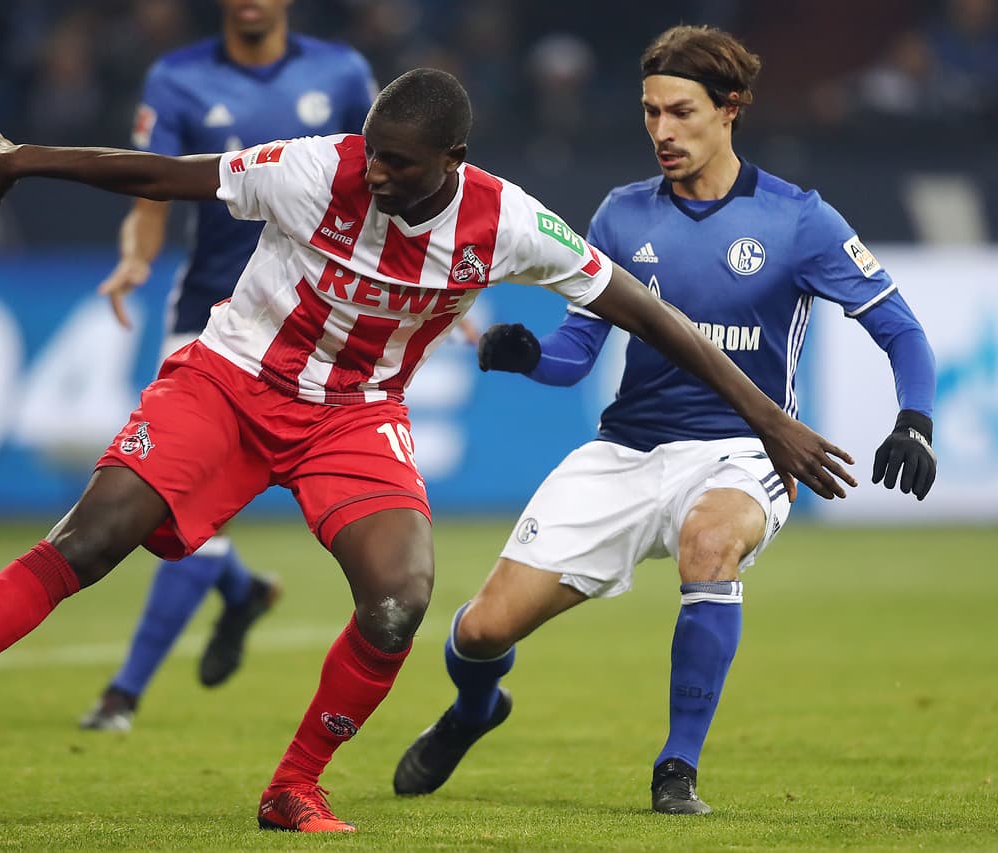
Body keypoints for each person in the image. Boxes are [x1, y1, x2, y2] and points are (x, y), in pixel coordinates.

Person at [0, 67, 857, 833]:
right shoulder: (314, 169)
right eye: (372, 152)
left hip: (352, 417)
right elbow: (165, 174)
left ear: (451, 161)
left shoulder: (508, 223)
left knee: (401, 597)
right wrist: (30, 159)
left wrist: (768, 419)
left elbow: (651, 315)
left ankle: (293, 786)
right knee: (93, 537)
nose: (377, 172)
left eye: (399, 163)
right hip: (230, 383)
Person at [391, 26, 937, 816]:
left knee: (710, 542)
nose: (662, 131)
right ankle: (475, 709)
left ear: (730, 109)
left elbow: (902, 330)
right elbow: (576, 355)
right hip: (626, 450)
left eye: (681, 112)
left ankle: (676, 767)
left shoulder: (799, 220)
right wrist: (527, 355)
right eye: (651, 112)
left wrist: (914, 419)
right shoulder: (621, 216)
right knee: (480, 631)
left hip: (745, 451)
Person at [78, 0, 377, 733]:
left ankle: (124, 693)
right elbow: (153, 189)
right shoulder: (175, 79)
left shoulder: (342, 73)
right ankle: (236, 594)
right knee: (164, 501)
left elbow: (397, 181)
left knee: (186, 513)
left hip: (307, 328)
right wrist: (135, 258)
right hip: (208, 322)